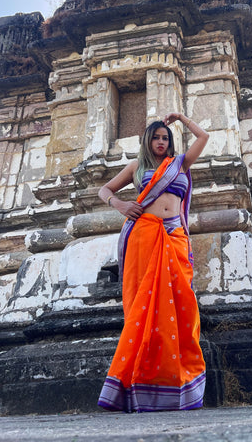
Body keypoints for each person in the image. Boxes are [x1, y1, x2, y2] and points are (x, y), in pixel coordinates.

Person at [97, 112, 209, 413]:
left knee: (182, 307)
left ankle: (176, 383)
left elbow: (204, 138)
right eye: (156, 137)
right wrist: (119, 204)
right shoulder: (137, 166)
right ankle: (137, 384)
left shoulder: (180, 164)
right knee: (145, 309)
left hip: (175, 235)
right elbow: (104, 189)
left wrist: (181, 118)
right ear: (147, 141)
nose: (161, 142)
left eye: (165, 138)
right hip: (145, 235)